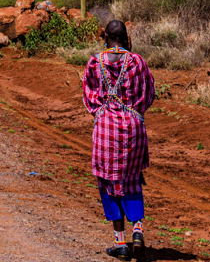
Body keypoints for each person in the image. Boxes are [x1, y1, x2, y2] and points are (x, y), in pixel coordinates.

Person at [82, 19, 156, 258]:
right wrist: (133, 112)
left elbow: (89, 97)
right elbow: (149, 93)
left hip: (106, 128)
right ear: (126, 38)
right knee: (132, 179)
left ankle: (120, 243)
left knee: (108, 183)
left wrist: (104, 112)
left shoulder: (95, 62)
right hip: (133, 127)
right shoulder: (137, 61)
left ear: (105, 37)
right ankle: (137, 231)